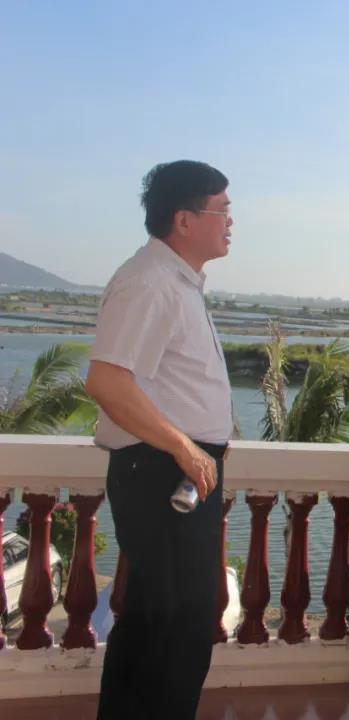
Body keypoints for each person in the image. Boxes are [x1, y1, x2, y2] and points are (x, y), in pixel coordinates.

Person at [86, 160, 234, 719]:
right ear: (184, 220)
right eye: (222, 210)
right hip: (161, 472)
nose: (231, 222)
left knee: (157, 620)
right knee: (179, 626)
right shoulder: (150, 282)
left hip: (176, 471)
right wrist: (183, 446)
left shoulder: (177, 282)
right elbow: (107, 381)